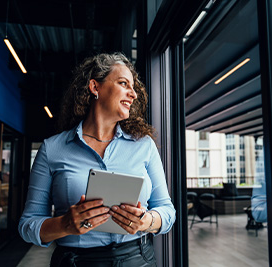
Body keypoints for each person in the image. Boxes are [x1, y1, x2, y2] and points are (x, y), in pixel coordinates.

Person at [18, 52, 176, 266]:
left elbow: (167, 210)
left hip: (138, 259)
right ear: (95, 87)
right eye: (123, 83)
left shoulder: (144, 145)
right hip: (75, 261)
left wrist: (146, 221)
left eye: (134, 87)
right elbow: (28, 225)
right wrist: (64, 224)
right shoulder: (52, 149)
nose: (134, 94)